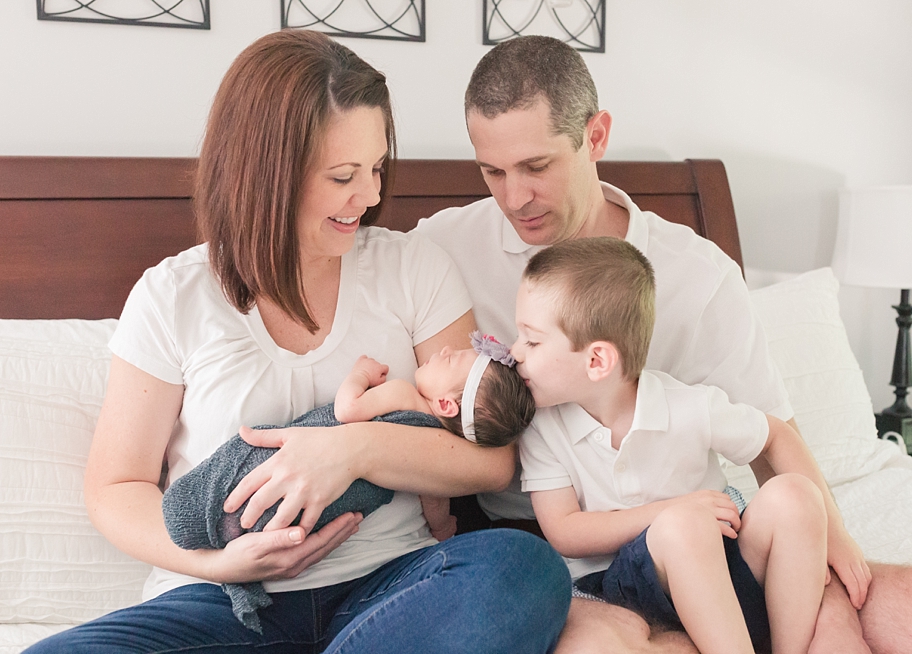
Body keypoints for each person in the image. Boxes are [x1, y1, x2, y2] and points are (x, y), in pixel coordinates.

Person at [24, 30, 570, 653]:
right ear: (268, 173)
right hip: (221, 602)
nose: (368, 197)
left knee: (522, 570)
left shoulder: (413, 267)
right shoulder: (173, 295)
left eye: (376, 168)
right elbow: (116, 488)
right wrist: (221, 566)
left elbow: (489, 458)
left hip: (387, 588)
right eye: (343, 176)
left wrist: (353, 450)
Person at [413, 33, 912, 654]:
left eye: (536, 167)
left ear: (595, 137)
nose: (514, 198)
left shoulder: (698, 275)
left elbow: (770, 438)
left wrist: (831, 561)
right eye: (493, 171)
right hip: (553, 552)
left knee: (875, 608)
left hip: (710, 530)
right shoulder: (438, 249)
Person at [516, 236, 842, 654]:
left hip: (723, 575)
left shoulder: (688, 405)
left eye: (532, 340)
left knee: (794, 494)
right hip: (623, 589)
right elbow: (564, 531)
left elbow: (776, 434)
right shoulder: (542, 425)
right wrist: (671, 510)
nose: (515, 352)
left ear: (597, 361)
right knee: (683, 523)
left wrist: (838, 535)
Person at [160, 333, 534, 629]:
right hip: (326, 527)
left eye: (450, 359)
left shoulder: (405, 394)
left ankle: (219, 523)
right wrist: (442, 526)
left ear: (447, 406)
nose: (444, 350)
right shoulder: (434, 448)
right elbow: (434, 493)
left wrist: (360, 375)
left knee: (247, 469)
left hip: (344, 534)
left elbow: (347, 411)